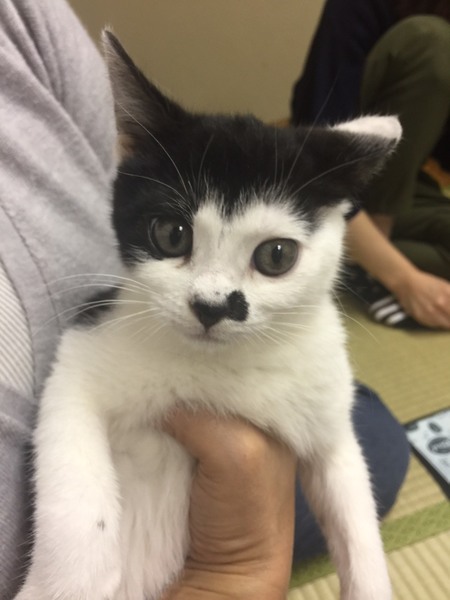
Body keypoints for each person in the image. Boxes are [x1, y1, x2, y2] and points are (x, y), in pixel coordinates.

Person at [0, 1, 409, 598]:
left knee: (369, 439)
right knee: (379, 437)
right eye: (174, 237)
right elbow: (79, 386)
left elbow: (331, 448)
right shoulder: (129, 328)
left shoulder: (317, 346)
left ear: (335, 222)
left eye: (274, 256)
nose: (213, 298)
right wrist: (73, 569)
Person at [291, 0, 450, 329]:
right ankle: (366, 252)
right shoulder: (356, 8)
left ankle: (353, 259)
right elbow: (318, 159)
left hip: (404, 188)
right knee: (432, 42)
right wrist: (406, 281)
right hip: (317, 185)